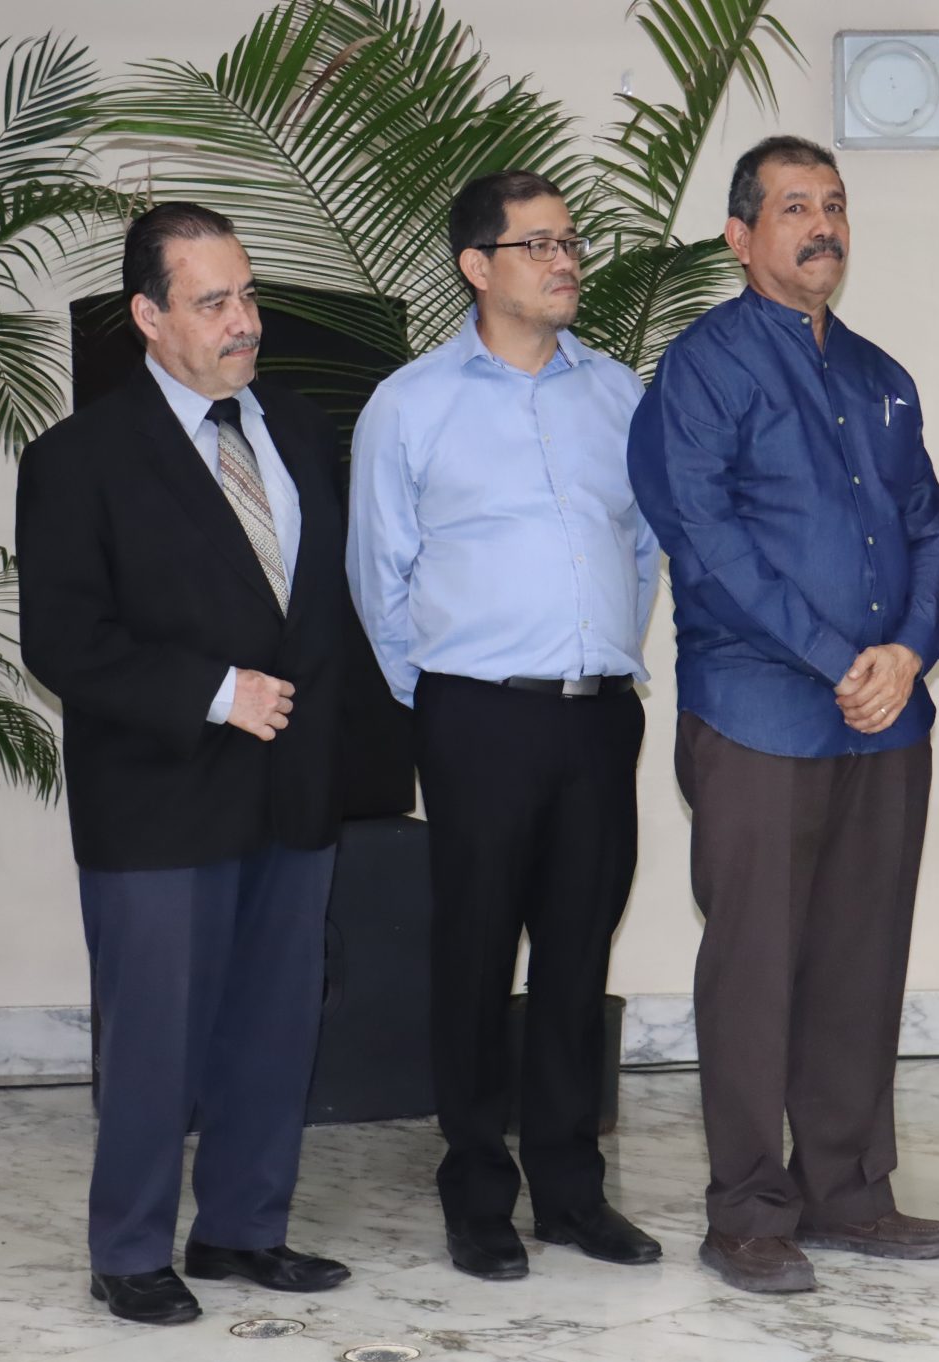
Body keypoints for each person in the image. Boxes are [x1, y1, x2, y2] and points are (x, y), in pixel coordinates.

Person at [627, 135, 939, 1295]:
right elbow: (705, 542)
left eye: (834, 204)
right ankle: (746, 1212)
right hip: (759, 712)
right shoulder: (701, 368)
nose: (821, 225)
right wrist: (833, 659)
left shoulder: (880, 374)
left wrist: (909, 649)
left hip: (885, 720)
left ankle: (848, 1194)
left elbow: (925, 524)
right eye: (793, 207)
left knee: (860, 960)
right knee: (755, 968)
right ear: (740, 235)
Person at [17, 203, 353, 1325]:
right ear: (149, 317)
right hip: (158, 793)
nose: (243, 320)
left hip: (292, 786)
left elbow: (317, 607)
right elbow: (65, 640)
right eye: (213, 302)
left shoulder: (299, 428)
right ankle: (128, 1251)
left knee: (275, 1025)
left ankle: (243, 1228)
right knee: (154, 1039)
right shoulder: (77, 459)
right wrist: (216, 692)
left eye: (248, 295)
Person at [346, 170, 663, 1281]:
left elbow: (640, 551)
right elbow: (378, 578)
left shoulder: (618, 395)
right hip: (476, 717)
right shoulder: (410, 405)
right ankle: (478, 1192)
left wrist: (601, 654)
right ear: (477, 267)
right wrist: (439, 699)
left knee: (577, 957)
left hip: (597, 718)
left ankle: (572, 1192)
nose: (565, 261)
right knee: (476, 956)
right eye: (538, 245)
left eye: (570, 242)